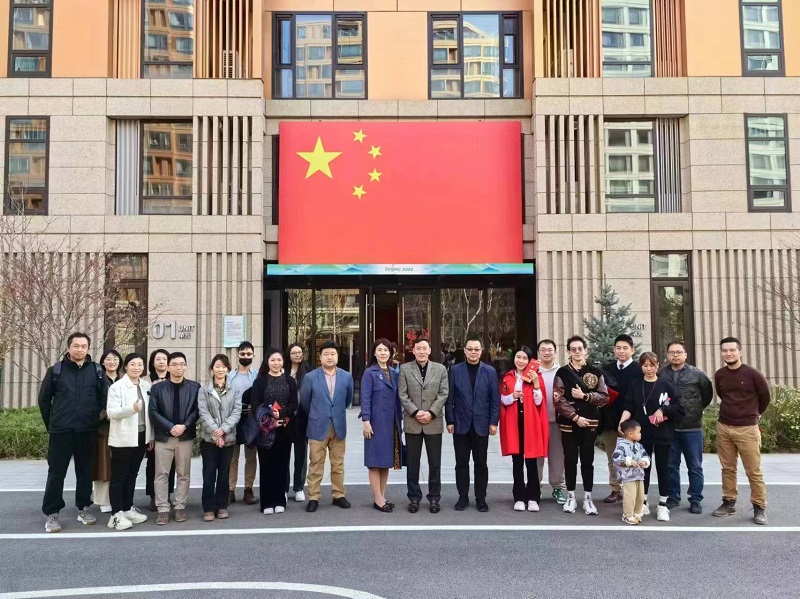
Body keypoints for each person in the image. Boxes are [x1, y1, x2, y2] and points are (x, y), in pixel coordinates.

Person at [38, 333, 107, 533]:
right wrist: (52, 425)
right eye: (76, 346)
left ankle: (83, 507)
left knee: (85, 472)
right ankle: (52, 513)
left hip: (87, 430)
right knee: (56, 472)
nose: (80, 349)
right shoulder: (56, 370)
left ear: (88, 348)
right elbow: (44, 400)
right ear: (69, 347)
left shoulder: (96, 371)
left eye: (84, 346)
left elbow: (104, 399)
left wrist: (95, 420)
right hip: (61, 431)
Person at [619, 352, 684, 522]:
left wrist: (663, 410)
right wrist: (622, 422)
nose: (648, 369)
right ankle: (643, 501)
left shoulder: (666, 385)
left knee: (664, 468)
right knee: (642, 467)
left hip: (663, 434)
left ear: (657, 366)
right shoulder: (636, 385)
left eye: (652, 365)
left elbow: (679, 409)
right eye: (645, 365)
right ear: (641, 366)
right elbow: (628, 406)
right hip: (641, 435)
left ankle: (663, 504)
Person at [712, 337, 771, 525]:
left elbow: (765, 397)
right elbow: (722, 395)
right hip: (724, 427)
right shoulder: (720, 375)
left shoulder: (753, 374)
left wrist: (754, 414)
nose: (728, 353)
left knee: (753, 471)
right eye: (725, 350)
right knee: (728, 468)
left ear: (740, 352)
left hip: (747, 429)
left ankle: (759, 507)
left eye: (732, 350)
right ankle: (729, 502)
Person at [553, 335, 609, 516]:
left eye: (580, 348)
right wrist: (575, 417)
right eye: (573, 349)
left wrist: (585, 396)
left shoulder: (595, 372)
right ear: (568, 352)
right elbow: (558, 399)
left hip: (590, 423)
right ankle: (570, 496)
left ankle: (587, 498)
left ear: (586, 350)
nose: (577, 352)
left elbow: (604, 397)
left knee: (587, 461)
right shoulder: (562, 373)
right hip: (569, 424)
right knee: (570, 460)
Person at [445, 335, 500, 513]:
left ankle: (481, 498)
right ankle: (462, 497)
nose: (473, 352)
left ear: (481, 351)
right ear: (465, 351)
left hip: (481, 424)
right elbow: (450, 398)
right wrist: (450, 420)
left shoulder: (490, 371)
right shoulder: (455, 370)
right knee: (461, 463)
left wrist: (493, 422)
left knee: (481, 463)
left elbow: (495, 400)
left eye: (476, 349)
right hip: (460, 424)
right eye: (470, 349)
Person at [299, 340, 354, 513]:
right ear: (320, 357)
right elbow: (305, 402)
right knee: (316, 463)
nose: (330, 357)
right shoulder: (310, 377)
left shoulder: (346, 376)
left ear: (337, 356)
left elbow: (347, 400)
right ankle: (313, 497)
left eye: (333, 354)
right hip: (317, 425)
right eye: (326, 354)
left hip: (338, 425)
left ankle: (338, 494)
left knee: (338, 463)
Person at [660, 341, 714, 514]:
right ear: (667, 355)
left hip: (692, 428)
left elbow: (707, 396)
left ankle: (696, 499)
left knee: (695, 466)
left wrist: (695, 411)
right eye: (671, 352)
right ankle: (673, 496)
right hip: (669, 427)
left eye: (678, 352)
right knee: (671, 466)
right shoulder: (661, 374)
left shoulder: (697, 374)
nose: (675, 355)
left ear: (685, 354)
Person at [149, 352, 200, 525]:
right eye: (175, 364)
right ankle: (163, 509)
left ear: (186, 366)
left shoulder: (194, 387)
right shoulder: (157, 388)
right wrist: (170, 426)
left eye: (182, 364)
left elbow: (197, 410)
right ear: (168, 367)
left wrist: (184, 425)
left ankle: (180, 507)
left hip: (185, 436)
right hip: (164, 437)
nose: (179, 367)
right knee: (161, 474)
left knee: (183, 473)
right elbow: (153, 411)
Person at [399, 337, 449, 514]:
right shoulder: (405, 369)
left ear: (429, 351)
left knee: (435, 463)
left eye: (424, 348)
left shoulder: (440, 369)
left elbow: (444, 393)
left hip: (433, 421)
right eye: (418, 348)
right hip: (412, 422)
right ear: (413, 351)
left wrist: (431, 413)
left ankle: (434, 497)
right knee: (413, 463)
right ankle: (414, 497)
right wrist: (415, 412)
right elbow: (402, 394)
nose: (421, 351)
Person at [499, 346, 549, 512]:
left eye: (524, 358)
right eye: (518, 357)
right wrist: (511, 396)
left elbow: (539, 402)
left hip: (531, 424)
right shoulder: (507, 377)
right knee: (517, 462)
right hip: (514, 424)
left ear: (530, 361)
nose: (520, 361)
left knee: (532, 462)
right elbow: (502, 400)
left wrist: (536, 384)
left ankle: (533, 497)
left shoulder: (536, 376)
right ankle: (519, 497)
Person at [106, 353, 151, 530]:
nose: (136, 367)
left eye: (140, 364)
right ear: (125, 366)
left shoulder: (145, 385)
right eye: (133, 364)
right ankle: (116, 514)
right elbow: (111, 412)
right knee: (119, 475)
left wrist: (151, 437)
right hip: (123, 438)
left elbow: (149, 414)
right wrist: (131, 409)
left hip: (141, 436)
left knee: (132, 473)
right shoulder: (117, 387)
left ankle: (127, 508)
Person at [251, 348, 298, 515]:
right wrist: (270, 420)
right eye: (272, 360)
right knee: (266, 466)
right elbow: (255, 406)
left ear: (283, 362)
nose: (276, 363)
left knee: (282, 465)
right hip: (266, 430)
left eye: (279, 360)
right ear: (267, 362)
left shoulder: (289, 380)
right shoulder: (260, 381)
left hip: (284, 430)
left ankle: (279, 500)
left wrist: (282, 413)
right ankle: (267, 502)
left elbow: (294, 404)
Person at [361, 338, 403, 513]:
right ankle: (378, 499)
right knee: (374, 462)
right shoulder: (369, 373)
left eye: (386, 350)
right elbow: (365, 398)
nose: (383, 353)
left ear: (391, 353)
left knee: (385, 462)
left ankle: (382, 496)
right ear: (374, 353)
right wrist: (366, 421)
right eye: (379, 350)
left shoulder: (394, 373)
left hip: (391, 423)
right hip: (375, 423)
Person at [198, 354, 242, 522]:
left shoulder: (234, 390)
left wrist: (223, 430)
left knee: (224, 474)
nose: (220, 369)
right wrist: (215, 432)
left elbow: (236, 412)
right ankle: (208, 508)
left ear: (228, 369)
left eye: (224, 366)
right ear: (212, 369)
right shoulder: (204, 390)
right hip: (209, 439)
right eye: (217, 366)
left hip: (228, 438)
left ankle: (222, 506)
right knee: (209, 473)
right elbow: (203, 412)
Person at [599, 334, 642, 505]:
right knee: (613, 457)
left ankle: (631, 490)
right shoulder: (607, 369)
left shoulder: (639, 370)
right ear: (614, 350)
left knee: (632, 457)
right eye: (618, 348)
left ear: (632, 350)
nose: (621, 351)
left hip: (632, 422)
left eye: (625, 348)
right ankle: (615, 489)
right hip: (610, 420)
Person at [228, 341, 259, 506]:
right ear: (237, 355)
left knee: (251, 457)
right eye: (242, 354)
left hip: (251, 418)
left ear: (253, 355)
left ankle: (248, 489)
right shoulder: (229, 376)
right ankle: (230, 490)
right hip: (233, 418)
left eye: (248, 354)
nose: (245, 356)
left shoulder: (257, 375)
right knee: (232, 457)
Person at [536, 339, 567, 504]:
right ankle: (535, 487)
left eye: (550, 350)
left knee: (557, 457)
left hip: (557, 421)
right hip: (537, 422)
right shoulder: (532, 372)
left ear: (555, 352)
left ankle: (557, 488)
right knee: (536, 457)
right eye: (543, 350)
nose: (546, 352)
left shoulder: (562, 372)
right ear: (539, 352)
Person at [93, 349, 122, 514]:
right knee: (103, 463)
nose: (112, 362)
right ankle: (103, 499)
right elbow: (92, 401)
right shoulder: (97, 379)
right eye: (108, 359)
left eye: (115, 359)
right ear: (103, 362)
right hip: (103, 426)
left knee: (120, 463)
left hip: (122, 426)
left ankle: (119, 497)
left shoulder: (125, 379)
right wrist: (105, 414)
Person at [145, 348, 174, 512]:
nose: (162, 362)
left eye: (165, 359)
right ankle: (153, 495)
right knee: (153, 464)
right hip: (153, 428)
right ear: (152, 363)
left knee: (170, 465)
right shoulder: (145, 381)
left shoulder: (174, 379)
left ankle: (166, 495)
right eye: (158, 359)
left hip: (171, 428)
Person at [612, 419, 650, 525]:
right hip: (627, 476)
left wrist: (644, 462)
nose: (640, 434)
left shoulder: (639, 446)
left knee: (640, 496)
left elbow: (645, 455)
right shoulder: (621, 445)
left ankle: (637, 513)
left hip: (639, 475)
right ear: (630, 434)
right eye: (639, 432)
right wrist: (629, 461)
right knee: (630, 496)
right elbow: (616, 457)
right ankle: (627, 515)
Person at [285, 343, 310, 502]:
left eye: (299, 352)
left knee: (301, 454)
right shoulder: (283, 371)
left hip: (302, 417)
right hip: (286, 418)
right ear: (289, 354)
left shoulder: (308, 371)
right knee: (284, 454)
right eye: (294, 352)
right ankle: (284, 488)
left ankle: (299, 487)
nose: (297, 355)